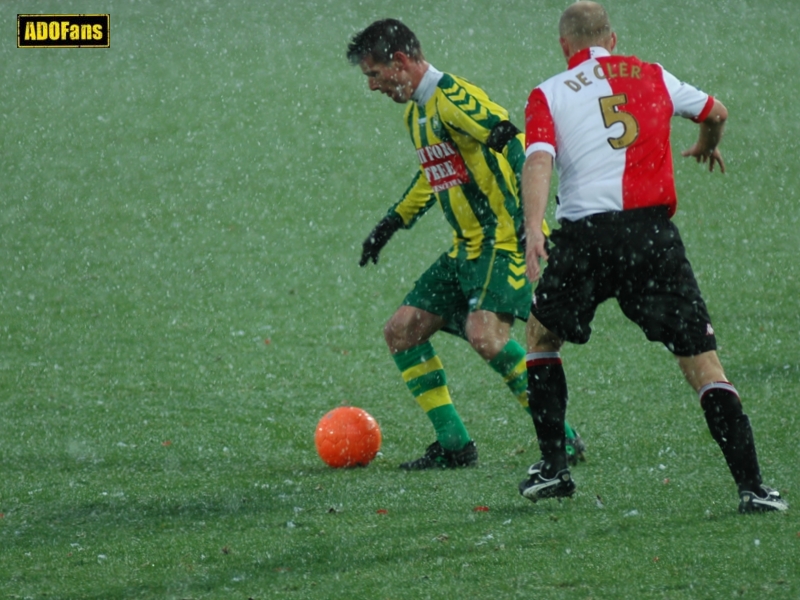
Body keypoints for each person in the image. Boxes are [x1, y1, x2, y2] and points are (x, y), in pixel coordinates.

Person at [517, 1, 787, 513]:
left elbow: (539, 159)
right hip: (651, 238)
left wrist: (534, 228)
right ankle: (753, 487)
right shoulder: (653, 75)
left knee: (540, 335)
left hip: (585, 238)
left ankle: (554, 469)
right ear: (612, 39)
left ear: (565, 46)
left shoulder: (548, 93)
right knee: (702, 363)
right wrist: (707, 143)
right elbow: (716, 112)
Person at [346, 19, 585, 470]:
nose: (373, 86)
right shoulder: (415, 113)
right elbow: (435, 175)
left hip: (503, 240)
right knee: (401, 331)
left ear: (400, 62)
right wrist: (390, 224)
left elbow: (516, 142)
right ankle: (455, 444)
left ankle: (562, 437)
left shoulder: (454, 99)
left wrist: (527, 221)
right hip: (467, 248)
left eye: (374, 74)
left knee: (486, 335)